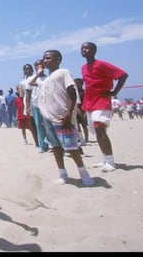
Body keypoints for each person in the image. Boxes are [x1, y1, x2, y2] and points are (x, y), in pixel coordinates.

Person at [38, 50, 94, 186]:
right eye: (44, 58)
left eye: (48, 58)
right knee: (56, 147)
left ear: (58, 59)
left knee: (72, 147)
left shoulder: (63, 73)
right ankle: (62, 173)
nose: (45, 61)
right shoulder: (46, 79)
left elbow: (72, 94)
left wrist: (68, 114)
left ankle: (84, 174)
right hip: (48, 117)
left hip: (62, 117)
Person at [81, 41, 128, 173]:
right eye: (83, 48)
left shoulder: (101, 64)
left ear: (94, 51)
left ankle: (111, 162)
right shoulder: (84, 67)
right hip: (89, 103)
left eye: (88, 48)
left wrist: (115, 92)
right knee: (97, 132)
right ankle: (105, 159)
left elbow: (123, 75)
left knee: (99, 128)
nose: (85, 50)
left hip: (102, 101)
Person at [27, 59, 48, 152]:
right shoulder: (31, 78)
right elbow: (28, 93)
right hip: (36, 104)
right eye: (37, 65)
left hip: (47, 104)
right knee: (39, 126)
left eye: (41, 64)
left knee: (49, 125)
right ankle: (42, 145)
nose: (39, 66)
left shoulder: (48, 77)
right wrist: (27, 107)